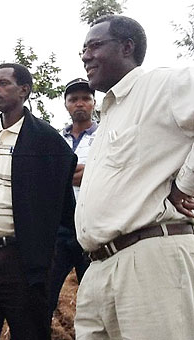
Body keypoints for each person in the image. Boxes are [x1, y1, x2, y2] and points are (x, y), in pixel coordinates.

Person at [75, 14, 194, 340]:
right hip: (97, 270)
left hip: (149, 263)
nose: (85, 56)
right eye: (82, 50)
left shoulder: (162, 86)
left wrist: (185, 183)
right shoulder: (109, 113)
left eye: (95, 46)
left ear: (127, 47)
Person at [0, 63, 76, 340]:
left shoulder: (46, 140)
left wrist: (44, 251)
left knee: (29, 332)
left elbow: (62, 201)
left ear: (24, 90)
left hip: (24, 261)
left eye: (3, 83)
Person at [48, 78, 96, 319]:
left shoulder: (107, 137)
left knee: (94, 296)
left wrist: (93, 172)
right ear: (66, 104)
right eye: (73, 99)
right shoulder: (54, 140)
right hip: (59, 229)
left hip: (93, 227)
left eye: (85, 99)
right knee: (44, 293)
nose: (80, 104)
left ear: (94, 103)